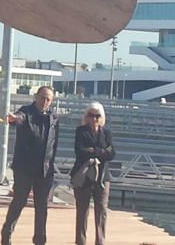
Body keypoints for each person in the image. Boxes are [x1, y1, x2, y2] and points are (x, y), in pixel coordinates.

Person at [1, 86, 59, 245]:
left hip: (44, 170)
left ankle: (40, 240)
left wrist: (51, 166)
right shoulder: (27, 111)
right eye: (42, 97)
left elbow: (54, 144)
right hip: (24, 168)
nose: (44, 102)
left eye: (48, 99)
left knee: (42, 207)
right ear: (36, 96)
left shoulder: (53, 118)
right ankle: (6, 234)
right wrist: (14, 118)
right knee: (19, 201)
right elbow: (20, 117)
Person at [72, 102, 115, 245]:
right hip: (84, 175)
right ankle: (80, 241)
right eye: (91, 115)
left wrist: (93, 151)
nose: (94, 119)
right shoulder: (81, 131)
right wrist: (101, 152)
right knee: (82, 210)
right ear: (86, 116)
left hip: (102, 177)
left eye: (97, 116)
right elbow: (80, 151)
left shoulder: (106, 133)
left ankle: (100, 241)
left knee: (102, 210)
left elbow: (112, 153)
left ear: (101, 117)